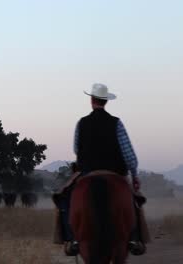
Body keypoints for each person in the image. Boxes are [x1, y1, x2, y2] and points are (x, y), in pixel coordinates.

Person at [57, 83, 146, 256]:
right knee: (135, 200)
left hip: (88, 172)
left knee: (63, 197)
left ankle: (72, 239)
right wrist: (134, 176)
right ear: (106, 101)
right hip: (116, 172)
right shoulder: (116, 123)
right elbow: (129, 155)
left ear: (91, 100)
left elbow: (76, 149)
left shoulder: (81, 123)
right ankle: (135, 238)